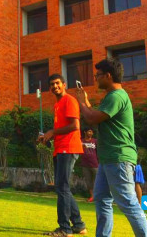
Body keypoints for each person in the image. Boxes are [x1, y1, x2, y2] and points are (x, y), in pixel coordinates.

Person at [75, 58, 147, 237]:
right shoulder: (111, 97)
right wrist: (86, 103)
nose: (96, 78)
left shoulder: (116, 96)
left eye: (98, 75)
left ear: (108, 76)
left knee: (128, 203)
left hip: (118, 158)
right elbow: (97, 118)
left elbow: (91, 119)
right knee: (102, 199)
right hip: (108, 159)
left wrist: (81, 102)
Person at [38, 74, 87, 237]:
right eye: (52, 84)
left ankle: (65, 229)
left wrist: (53, 131)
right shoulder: (58, 104)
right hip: (60, 148)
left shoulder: (69, 100)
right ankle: (78, 225)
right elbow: (61, 129)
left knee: (62, 187)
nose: (55, 86)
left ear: (64, 84)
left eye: (57, 83)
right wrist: (48, 137)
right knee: (62, 187)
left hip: (69, 148)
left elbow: (75, 125)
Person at [80, 128, 98, 202]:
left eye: (92, 131)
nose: (91, 133)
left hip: (95, 164)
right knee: (88, 181)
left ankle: (98, 196)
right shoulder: (81, 141)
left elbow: (99, 151)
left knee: (97, 180)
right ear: (85, 132)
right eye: (89, 131)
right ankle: (92, 196)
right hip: (85, 164)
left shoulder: (95, 141)